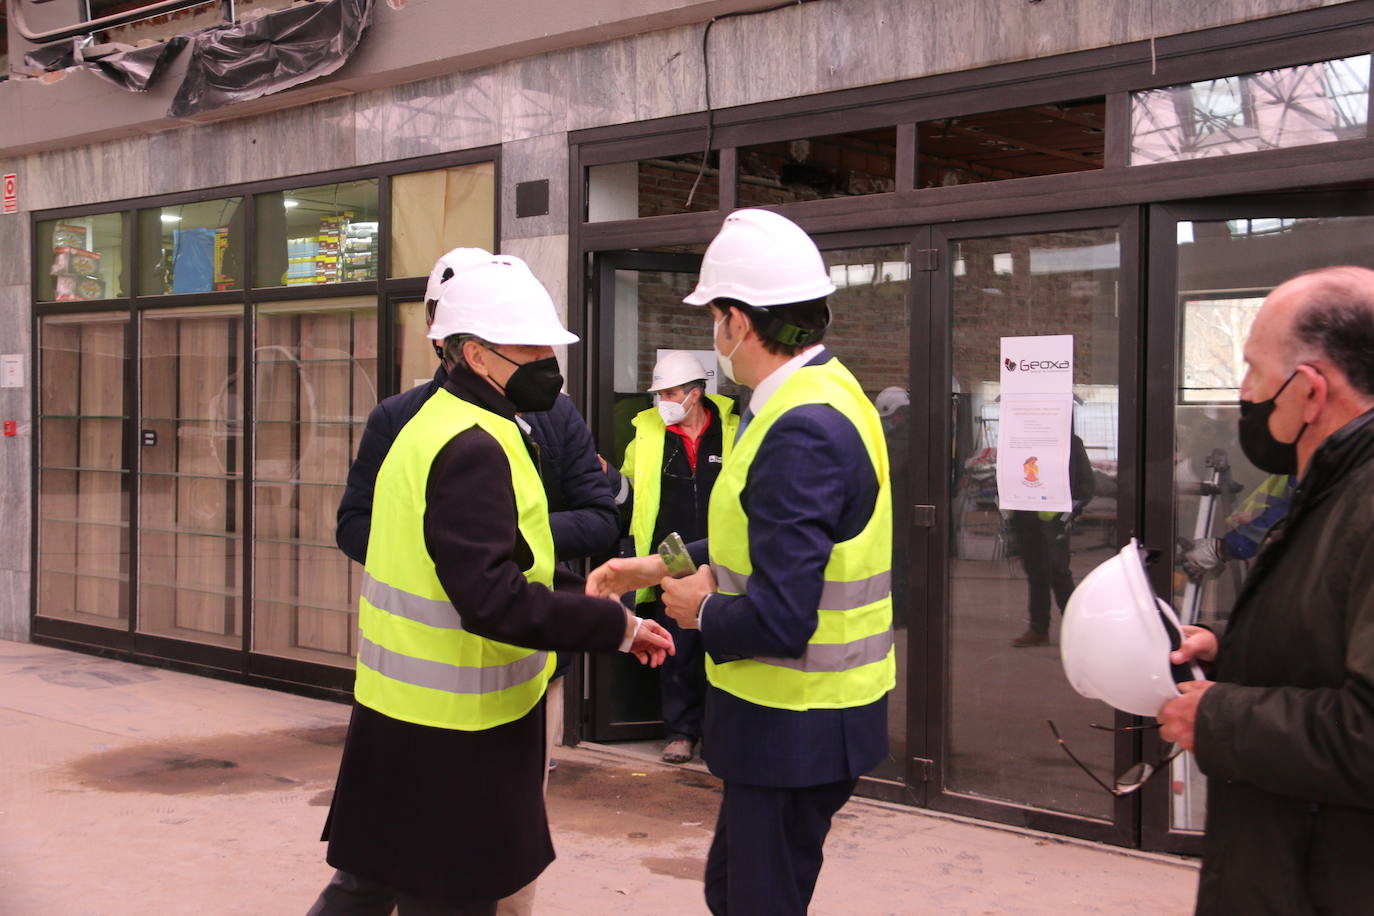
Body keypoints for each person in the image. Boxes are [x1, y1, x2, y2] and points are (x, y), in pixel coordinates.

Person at [309, 255, 674, 916]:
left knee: (368, 887)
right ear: (476, 356)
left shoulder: (435, 424)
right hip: (458, 731)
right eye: (530, 346)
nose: (547, 360)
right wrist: (614, 626)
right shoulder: (474, 444)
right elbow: (492, 596)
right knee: (445, 898)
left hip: (406, 715)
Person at [587, 209, 894, 916]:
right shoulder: (825, 394)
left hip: (795, 726)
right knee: (735, 891)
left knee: (755, 901)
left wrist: (702, 610)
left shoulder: (800, 429)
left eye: (714, 316)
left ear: (738, 322)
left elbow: (783, 617)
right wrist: (657, 567)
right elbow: (750, 538)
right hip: (811, 723)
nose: (714, 333)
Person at [1158, 265, 1374, 915]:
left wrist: (1218, 717)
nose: (1245, 393)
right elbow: (1334, 629)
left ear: (1309, 390)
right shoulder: (1338, 485)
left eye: (1253, 370)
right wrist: (1229, 650)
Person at [606, 351, 739, 763]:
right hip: (670, 554)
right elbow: (630, 491)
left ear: (695, 394)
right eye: (658, 393)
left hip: (722, 553)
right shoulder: (646, 434)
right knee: (677, 644)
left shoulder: (734, 432)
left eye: (669, 392)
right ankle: (681, 731)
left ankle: (720, 736)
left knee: (724, 645)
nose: (661, 400)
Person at [1008, 432, 1095, 647]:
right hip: (1025, 515)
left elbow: (1087, 485)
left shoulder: (1070, 441)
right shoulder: (1019, 440)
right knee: (1035, 572)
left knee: (1058, 571)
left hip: (1055, 519)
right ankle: (1038, 630)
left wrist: (1069, 513)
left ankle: (1078, 632)